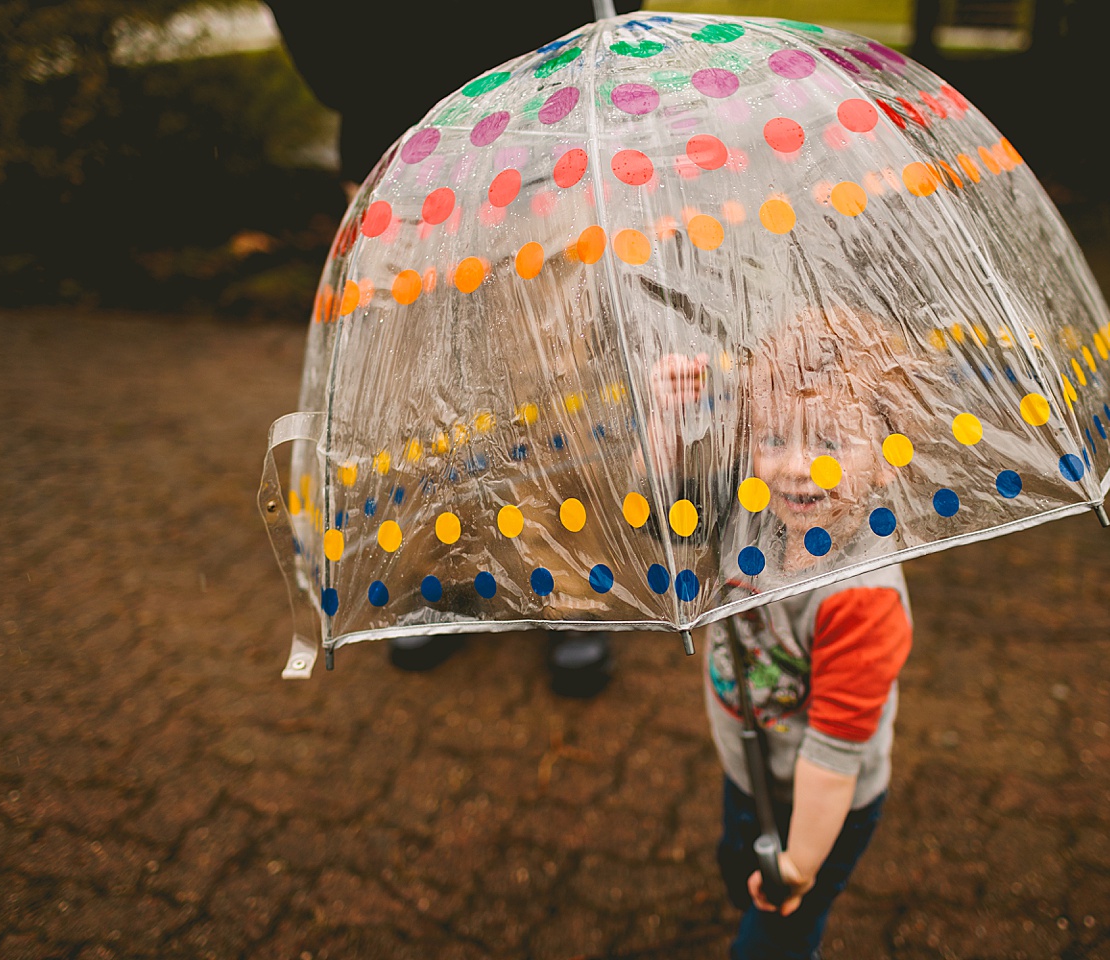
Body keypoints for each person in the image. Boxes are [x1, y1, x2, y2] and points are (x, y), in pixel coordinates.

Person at [266, 0, 642, 696]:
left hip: (542, 139)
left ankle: (569, 588)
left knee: (555, 385)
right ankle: (431, 574)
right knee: (408, 396)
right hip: (399, 146)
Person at [647, 305, 919, 959]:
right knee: (738, 865)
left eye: (828, 444)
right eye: (774, 439)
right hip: (748, 764)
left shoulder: (862, 601)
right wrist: (665, 419)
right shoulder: (749, 512)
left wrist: (799, 865)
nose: (797, 466)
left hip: (821, 806)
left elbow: (832, 761)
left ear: (886, 458)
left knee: (775, 936)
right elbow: (662, 507)